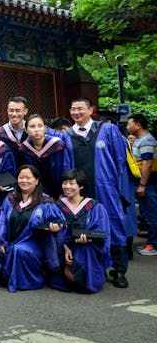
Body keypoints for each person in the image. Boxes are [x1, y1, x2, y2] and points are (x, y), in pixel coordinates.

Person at [66, 97, 129, 288]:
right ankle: (94, 267)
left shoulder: (107, 130)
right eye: (73, 109)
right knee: (86, 228)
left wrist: (110, 181)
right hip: (80, 192)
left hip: (105, 188)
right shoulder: (67, 135)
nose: (76, 112)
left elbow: (120, 159)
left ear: (91, 109)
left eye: (80, 109)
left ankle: (119, 270)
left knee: (114, 225)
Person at [0, 165, 65, 292]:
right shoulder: (10, 199)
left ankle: (28, 282)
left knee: (19, 250)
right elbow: (0, 222)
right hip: (10, 242)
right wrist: (1, 241)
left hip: (36, 244)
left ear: (37, 180)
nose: (24, 181)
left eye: (28, 178)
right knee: (13, 249)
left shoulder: (44, 200)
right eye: (21, 177)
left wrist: (56, 226)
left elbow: (59, 220)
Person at [52, 169, 111, 293]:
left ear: (81, 186)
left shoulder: (94, 206)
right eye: (65, 183)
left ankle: (89, 279)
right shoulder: (57, 206)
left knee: (86, 250)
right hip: (62, 245)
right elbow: (54, 232)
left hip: (87, 246)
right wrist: (65, 246)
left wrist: (89, 238)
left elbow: (101, 231)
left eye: (72, 183)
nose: (67, 187)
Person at [19, 114, 72, 199]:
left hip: (59, 191)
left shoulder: (57, 145)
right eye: (32, 127)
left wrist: (64, 192)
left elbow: (65, 169)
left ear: (45, 128)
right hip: (37, 194)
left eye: (40, 126)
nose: (36, 130)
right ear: (26, 130)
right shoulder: (24, 149)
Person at [127, 113, 157, 256]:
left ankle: (153, 244)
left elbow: (147, 164)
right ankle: (150, 242)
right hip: (143, 181)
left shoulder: (146, 140)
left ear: (138, 125)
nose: (127, 127)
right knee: (146, 212)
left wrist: (142, 185)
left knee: (151, 213)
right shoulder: (140, 140)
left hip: (149, 181)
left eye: (130, 124)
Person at [0, 96, 29, 167]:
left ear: (25, 111)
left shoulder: (32, 130)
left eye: (18, 110)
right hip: (9, 172)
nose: (14, 114)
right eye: (11, 110)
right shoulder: (0, 133)